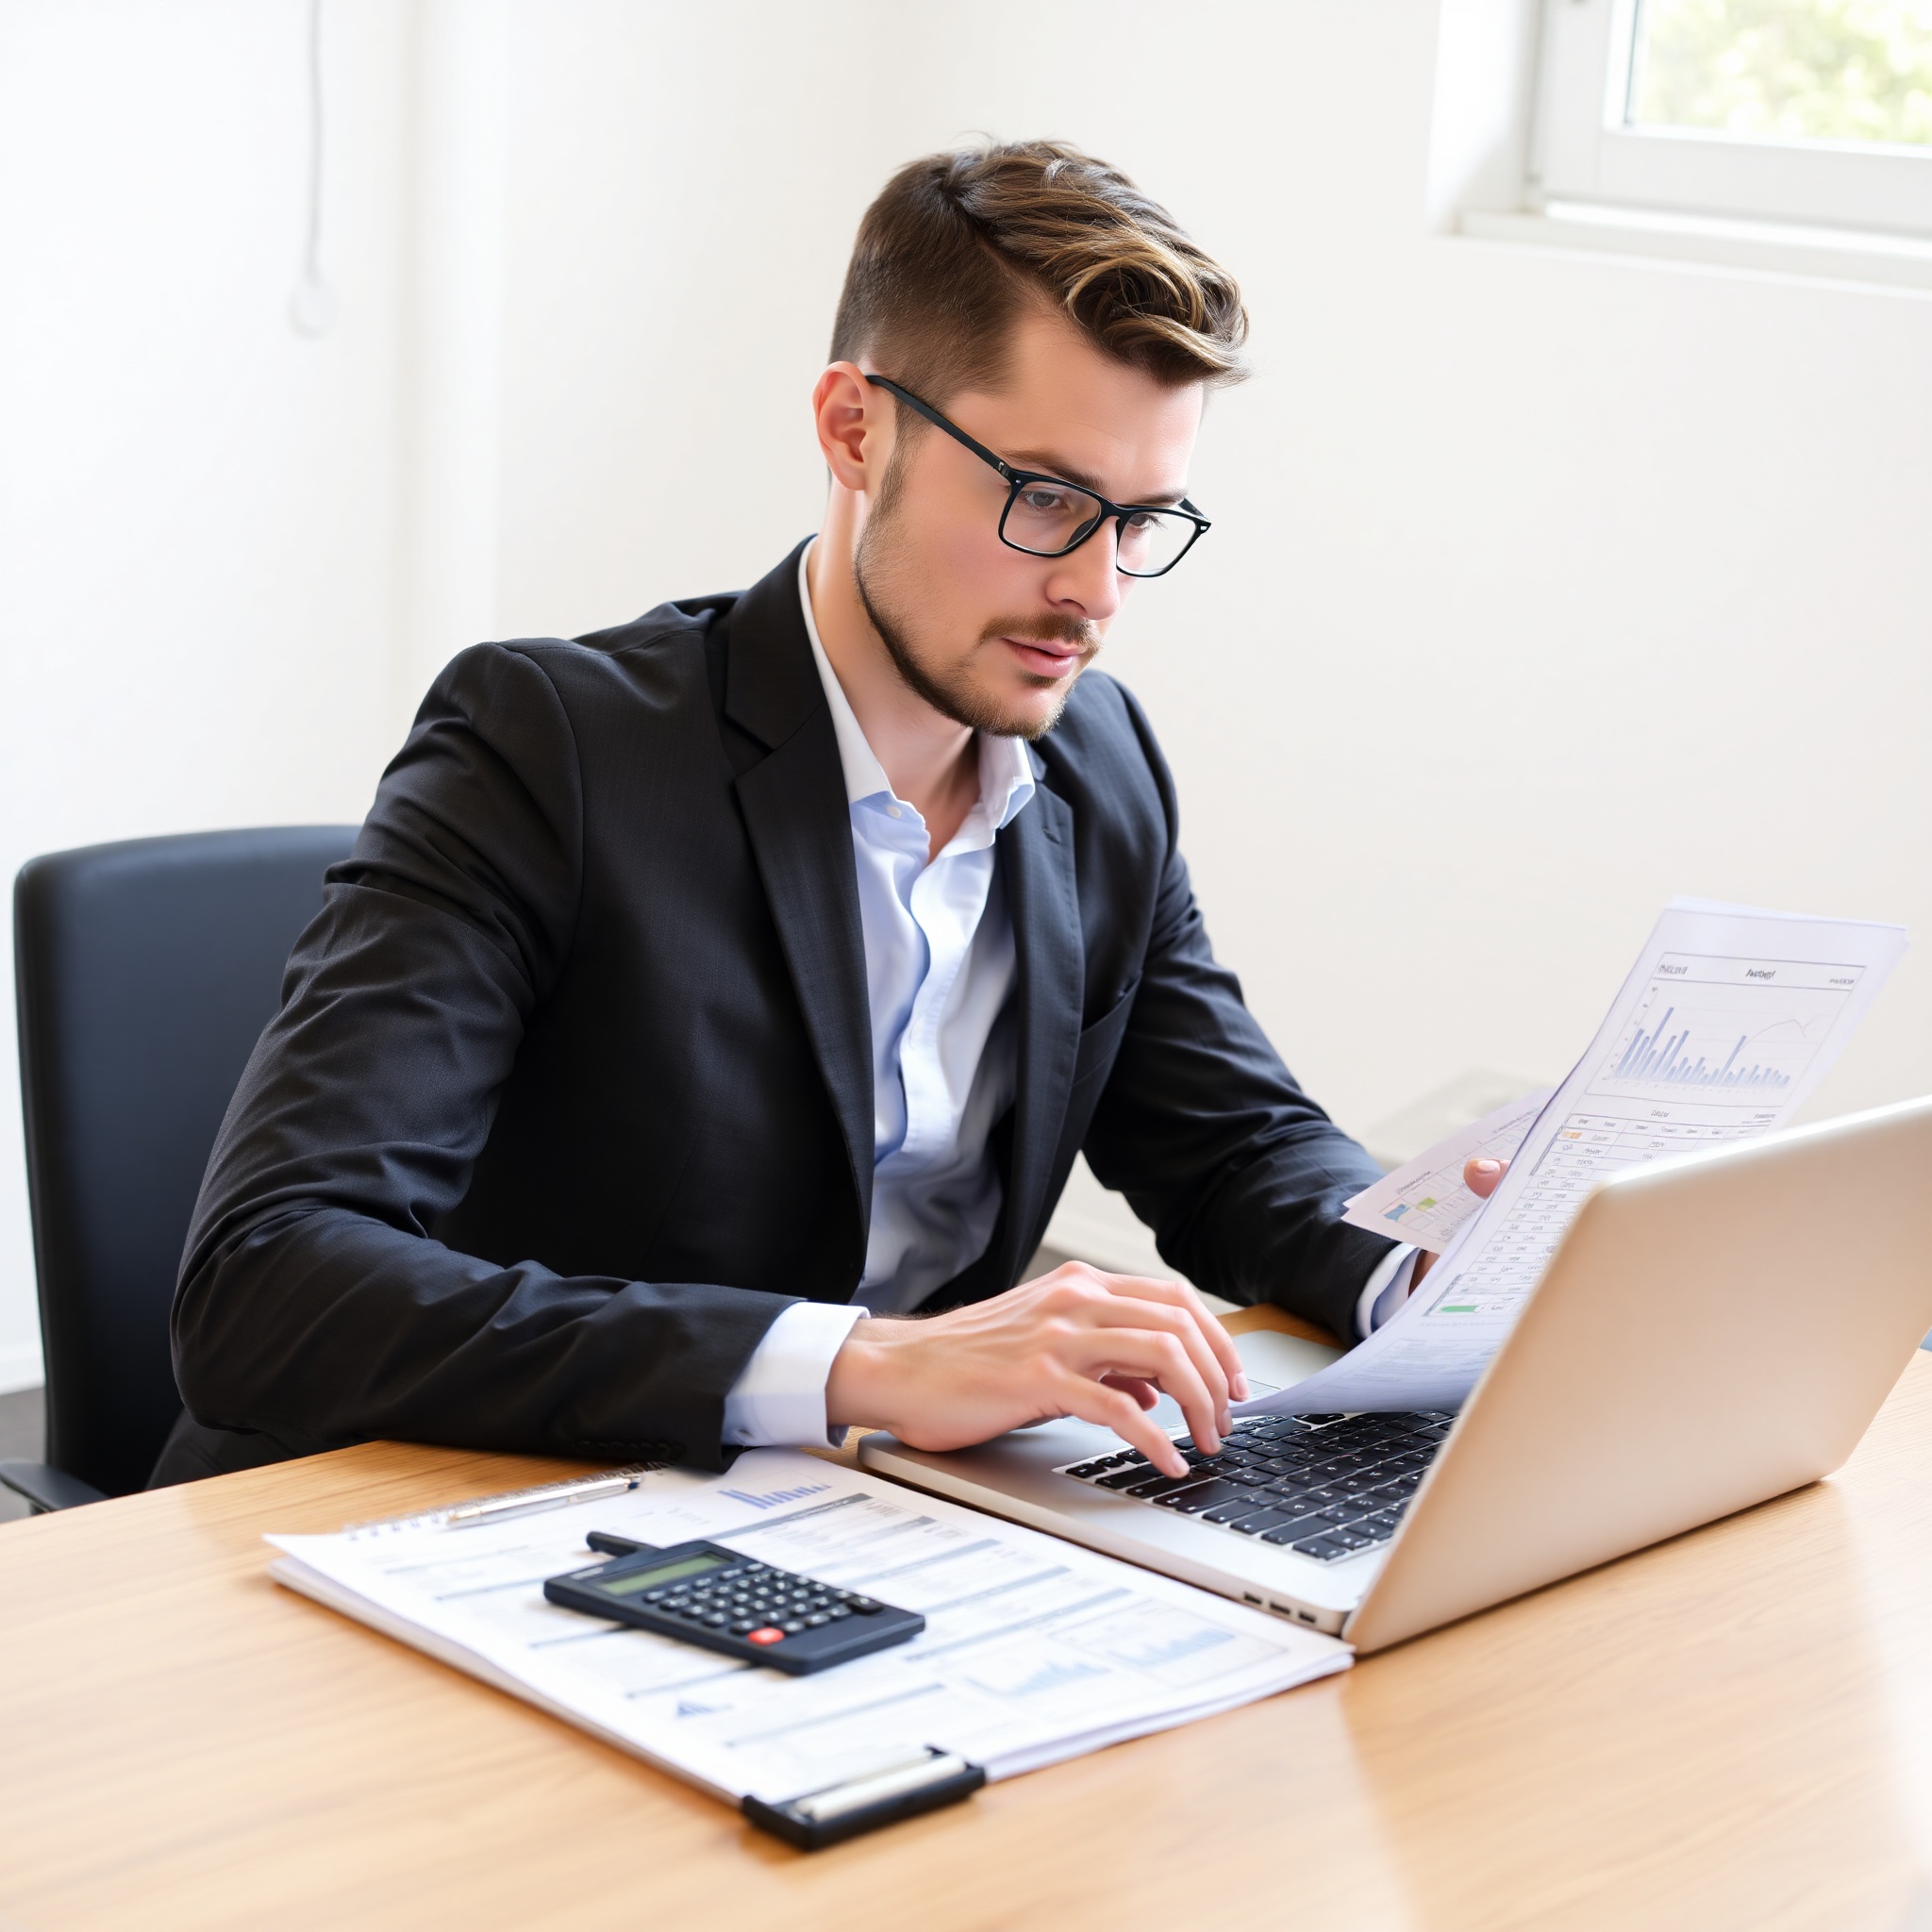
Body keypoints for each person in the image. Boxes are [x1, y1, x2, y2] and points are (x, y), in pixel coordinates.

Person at [154, 141, 1491, 1491]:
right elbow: (270, 1281)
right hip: (477, 1506)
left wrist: (1433, 1268)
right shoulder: (550, 747)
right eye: (1044, 498)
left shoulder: (1099, 764)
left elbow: (1235, 1145)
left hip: (877, 1510)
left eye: (1141, 520)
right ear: (856, 429)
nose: (1096, 592)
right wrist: (859, 1366)